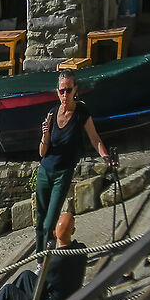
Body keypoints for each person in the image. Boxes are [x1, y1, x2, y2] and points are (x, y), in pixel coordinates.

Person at [33, 70, 111, 255]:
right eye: (61, 91)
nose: (65, 95)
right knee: (39, 221)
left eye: (68, 90)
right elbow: (42, 152)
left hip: (63, 173)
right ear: (57, 91)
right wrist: (45, 135)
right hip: (45, 171)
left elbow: (95, 139)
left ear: (76, 89)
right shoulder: (52, 113)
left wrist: (106, 157)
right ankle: (40, 259)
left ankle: (48, 256)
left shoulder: (81, 113)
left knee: (49, 221)